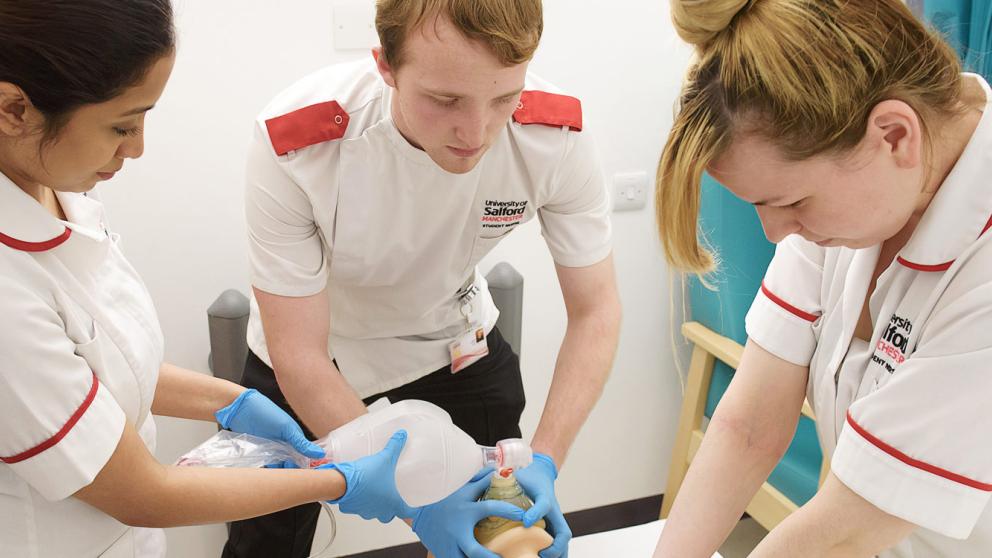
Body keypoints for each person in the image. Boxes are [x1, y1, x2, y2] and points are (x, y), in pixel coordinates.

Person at [0, 3, 499, 557]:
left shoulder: (58, 191)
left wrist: (231, 401)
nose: (138, 147)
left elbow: (101, 365)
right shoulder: (7, 292)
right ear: (13, 109)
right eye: (122, 124)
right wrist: (342, 480)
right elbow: (140, 492)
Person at [227, 1, 622, 557]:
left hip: (451, 343)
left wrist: (547, 457)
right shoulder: (299, 143)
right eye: (445, 100)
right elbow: (301, 354)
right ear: (385, 66)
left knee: (501, 533)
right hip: (313, 355)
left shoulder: (554, 137)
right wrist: (420, 507)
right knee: (264, 545)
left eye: (504, 98)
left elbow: (596, 312)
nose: (477, 131)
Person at [653, 1, 992, 556]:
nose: (775, 232)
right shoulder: (847, 204)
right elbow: (749, 426)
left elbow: (846, 531)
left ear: (893, 136)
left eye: (789, 201)